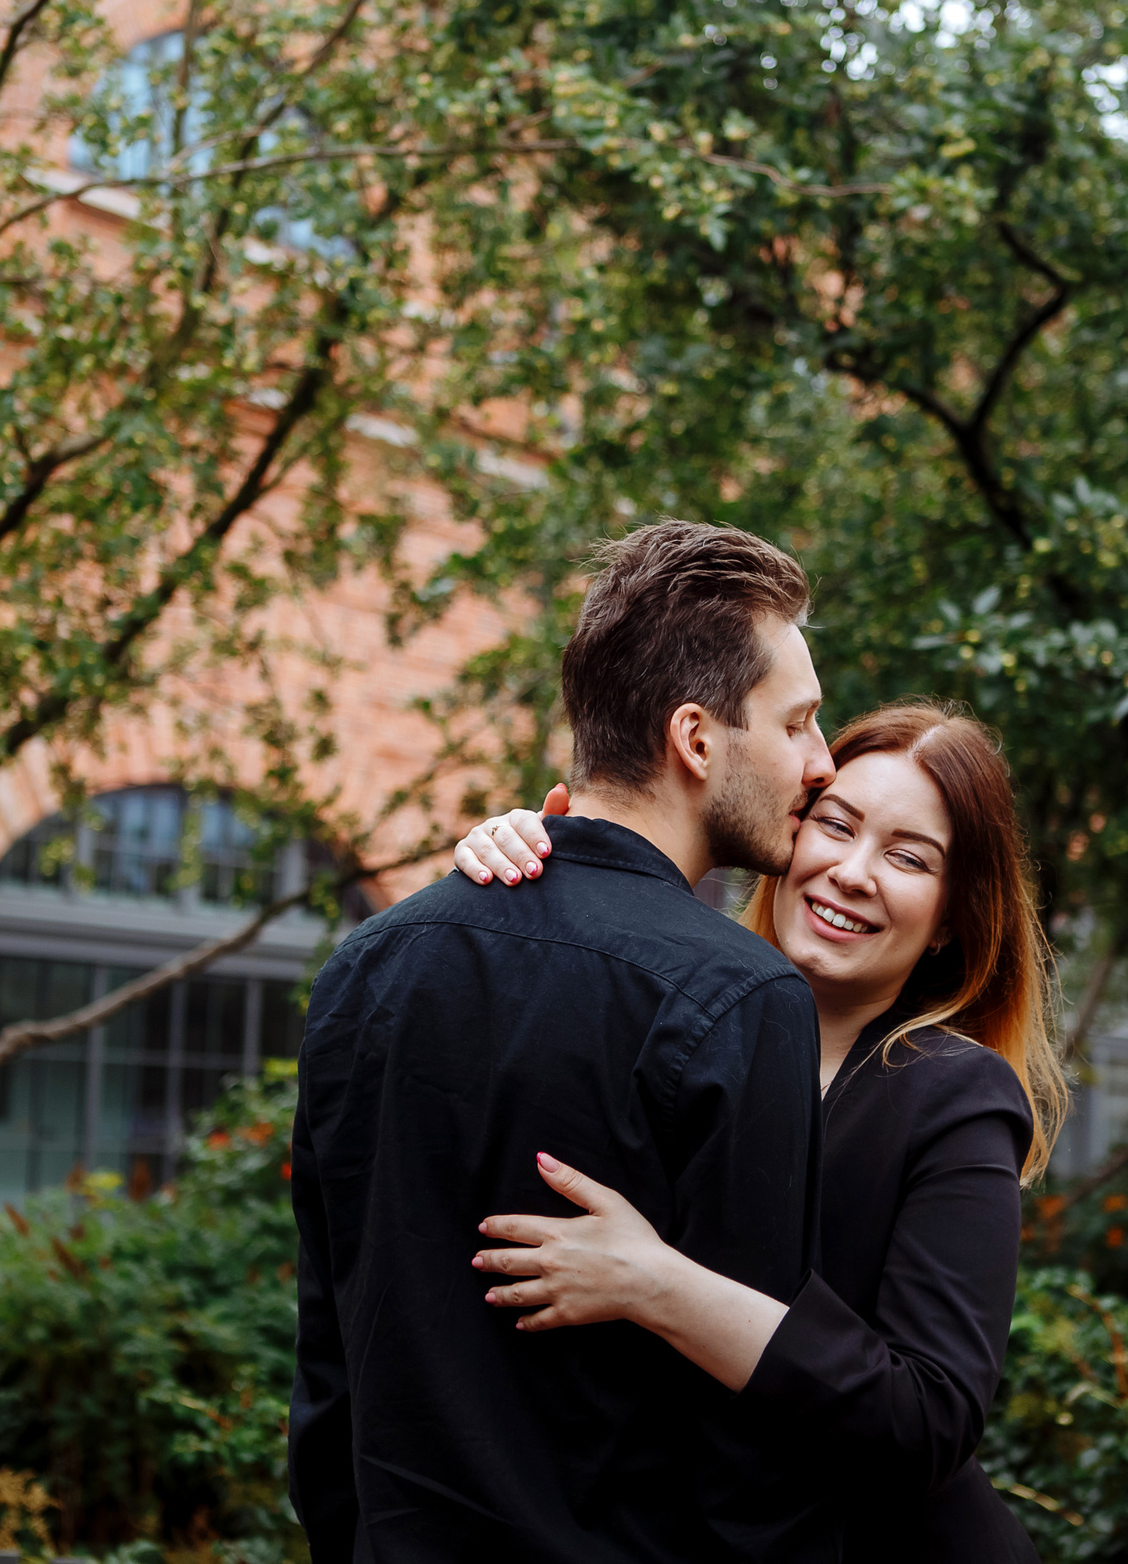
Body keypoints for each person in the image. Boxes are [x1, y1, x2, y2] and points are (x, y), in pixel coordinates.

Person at [288, 520, 844, 1562]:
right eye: (800, 723)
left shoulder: (365, 966)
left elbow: (329, 1363)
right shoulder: (744, 998)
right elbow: (750, 1448)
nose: (820, 762)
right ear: (696, 739)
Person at [454, 701, 1069, 1561]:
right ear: (789, 831)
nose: (853, 871)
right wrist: (541, 858)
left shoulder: (955, 1095)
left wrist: (656, 1284)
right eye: (836, 823)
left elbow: (928, 1416)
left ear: (955, 916)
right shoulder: (675, 1026)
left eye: (906, 856)